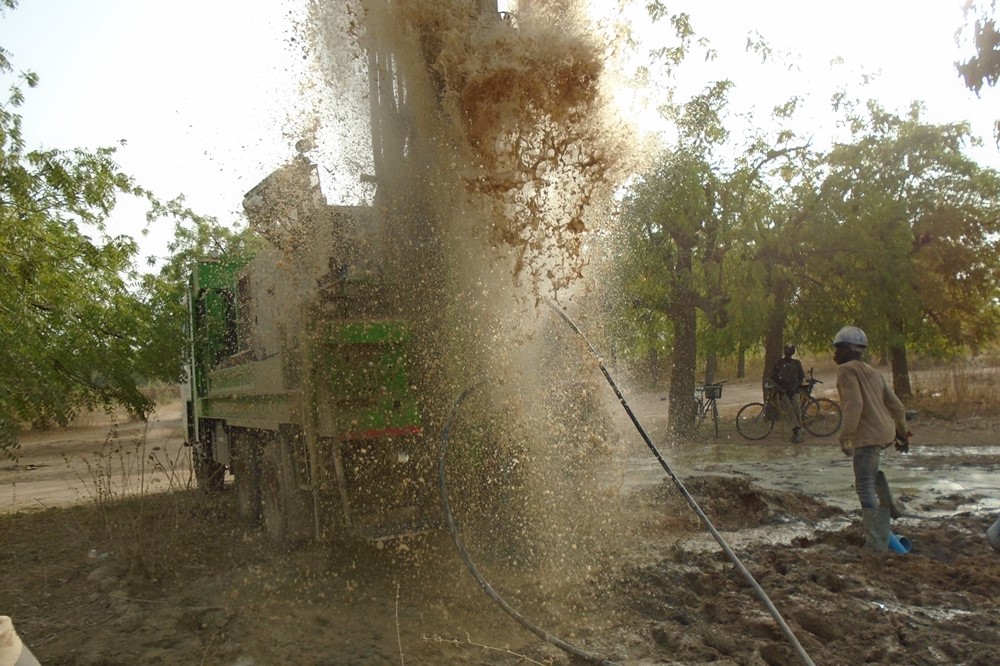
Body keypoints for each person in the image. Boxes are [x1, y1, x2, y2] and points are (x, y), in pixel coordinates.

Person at [833, 325, 909, 553]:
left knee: (864, 486)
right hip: (884, 432)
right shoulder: (873, 371)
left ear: (848, 349)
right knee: (870, 472)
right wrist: (902, 435)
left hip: (867, 436)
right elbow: (897, 406)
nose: (834, 354)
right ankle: (889, 504)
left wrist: (845, 436)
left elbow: (854, 404)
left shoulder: (846, 370)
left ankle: (876, 543)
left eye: (837, 349)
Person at [770, 344, 805, 443]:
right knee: (788, 407)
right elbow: (772, 379)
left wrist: (795, 386)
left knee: (797, 406)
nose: (788, 353)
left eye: (790, 351)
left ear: (793, 352)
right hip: (782, 391)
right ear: (784, 352)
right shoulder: (778, 364)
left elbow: (801, 378)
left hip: (794, 390)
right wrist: (779, 388)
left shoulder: (797, 363)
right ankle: (797, 430)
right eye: (787, 351)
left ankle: (796, 431)